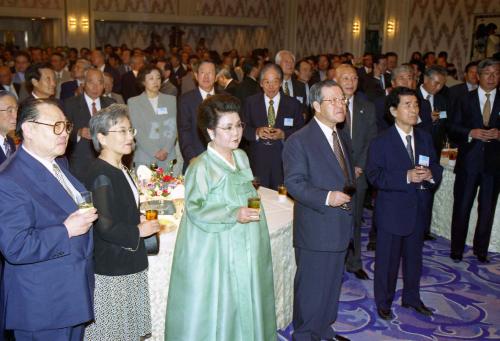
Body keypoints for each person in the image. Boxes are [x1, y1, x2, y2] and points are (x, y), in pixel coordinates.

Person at [165, 94, 276, 340]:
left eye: (238, 125)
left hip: (247, 239)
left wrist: (248, 204)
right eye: (227, 127)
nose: (235, 133)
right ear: (211, 131)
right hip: (218, 249)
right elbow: (195, 208)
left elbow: (246, 190)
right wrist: (232, 212)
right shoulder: (200, 166)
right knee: (224, 304)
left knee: (248, 297)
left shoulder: (241, 156)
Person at [0, 98, 97, 340]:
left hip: (71, 294)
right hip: (44, 305)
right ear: (29, 129)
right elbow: (16, 246)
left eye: (66, 126)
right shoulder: (9, 179)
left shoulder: (57, 164)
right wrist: (66, 230)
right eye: (55, 126)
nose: (63, 133)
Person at [283, 80, 353, 341]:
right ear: (315, 106)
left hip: (339, 225)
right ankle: (305, 336)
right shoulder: (299, 141)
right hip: (316, 228)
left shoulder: (341, 136)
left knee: (331, 286)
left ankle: (324, 330)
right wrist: (327, 197)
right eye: (332, 100)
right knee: (312, 290)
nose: (340, 105)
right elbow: (294, 183)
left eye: (342, 99)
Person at [366, 87, 443, 321]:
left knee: (414, 259)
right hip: (392, 211)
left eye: (416, 105)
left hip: (418, 209)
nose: (413, 109)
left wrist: (430, 174)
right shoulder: (381, 141)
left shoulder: (425, 137)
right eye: (407, 105)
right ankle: (384, 302)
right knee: (387, 262)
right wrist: (406, 176)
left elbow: (437, 168)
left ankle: (411, 297)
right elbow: (374, 176)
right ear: (393, 110)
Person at [83, 104, 158, 340]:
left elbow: (119, 210)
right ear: (102, 138)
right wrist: (139, 230)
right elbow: (104, 225)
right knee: (114, 333)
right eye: (122, 131)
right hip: (113, 268)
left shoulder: (120, 167)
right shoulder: (101, 173)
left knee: (128, 332)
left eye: (130, 130)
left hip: (127, 261)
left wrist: (137, 218)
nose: (129, 137)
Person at [449, 58, 500, 263]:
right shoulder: (464, 99)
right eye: (487, 73)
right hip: (468, 162)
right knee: (462, 206)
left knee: (487, 209)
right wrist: (471, 132)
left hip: (494, 164)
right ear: (478, 76)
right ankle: (457, 249)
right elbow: (451, 126)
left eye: (496, 73)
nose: (492, 77)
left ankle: (481, 250)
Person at [334, 64, 377, 280]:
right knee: (333, 220)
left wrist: (359, 166)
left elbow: (371, 140)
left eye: (354, 78)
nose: (350, 82)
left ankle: (354, 261)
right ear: (336, 80)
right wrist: (338, 168)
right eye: (345, 78)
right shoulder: (328, 105)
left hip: (358, 174)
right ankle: (333, 262)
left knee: (356, 219)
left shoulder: (367, 107)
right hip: (332, 174)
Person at [243, 63, 304, 189]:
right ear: (260, 83)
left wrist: (284, 134)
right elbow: (242, 127)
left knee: (282, 201)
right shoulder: (250, 102)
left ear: (281, 83)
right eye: (267, 82)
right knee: (258, 200)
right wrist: (256, 132)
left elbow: (301, 130)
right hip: (258, 161)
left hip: (283, 162)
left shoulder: (293, 104)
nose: (271, 87)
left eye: (275, 82)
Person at [64, 68, 115, 181]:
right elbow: (64, 129)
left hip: (107, 161)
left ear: (104, 86)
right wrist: (78, 132)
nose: (95, 87)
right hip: (80, 163)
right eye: (91, 82)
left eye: (100, 82)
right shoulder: (70, 104)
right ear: (83, 84)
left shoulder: (111, 104)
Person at [128, 65, 177, 169]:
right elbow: (137, 131)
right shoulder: (134, 102)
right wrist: (155, 151)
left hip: (167, 156)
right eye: (151, 78)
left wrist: (166, 150)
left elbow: (173, 127)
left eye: (158, 78)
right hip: (145, 156)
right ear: (143, 82)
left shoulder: (171, 100)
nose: (156, 81)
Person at [178, 60, 219, 172]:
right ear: (196, 76)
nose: (206, 76)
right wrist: (191, 157)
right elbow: (184, 131)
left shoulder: (225, 98)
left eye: (210, 73)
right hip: (196, 158)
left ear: (216, 77)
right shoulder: (186, 100)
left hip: (221, 160)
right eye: (202, 72)